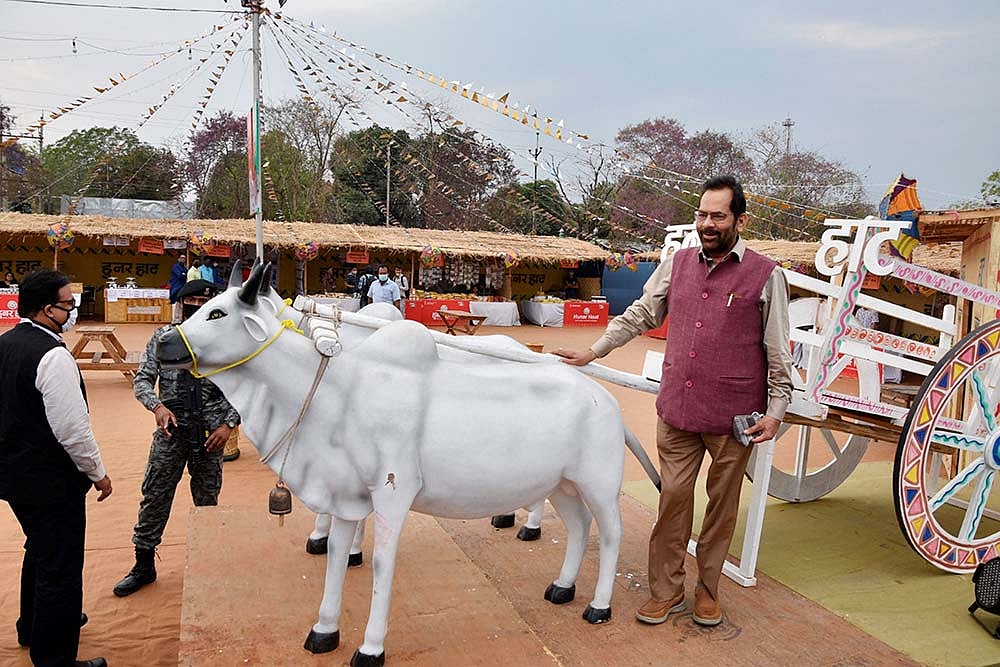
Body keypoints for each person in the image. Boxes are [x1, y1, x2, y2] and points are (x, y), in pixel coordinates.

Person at [555, 175, 793, 628]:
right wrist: (595, 350)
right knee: (674, 501)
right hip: (679, 411)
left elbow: (778, 348)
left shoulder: (766, 275)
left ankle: (707, 590)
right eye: (702, 214)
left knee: (721, 509)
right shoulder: (677, 263)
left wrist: (777, 409)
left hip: (735, 416)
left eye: (717, 216)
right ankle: (666, 591)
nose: (706, 223)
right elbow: (643, 313)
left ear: (740, 220)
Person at [0, 269, 112, 667]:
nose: (73, 310)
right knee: (61, 568)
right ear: (48, 310)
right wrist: (97, 472)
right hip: (50, 480)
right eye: (69, 304)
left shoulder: (6, 343)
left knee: (41, 549)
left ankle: (33, 625)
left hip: (14, 475)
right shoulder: (53, 356)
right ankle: (55, 658)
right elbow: (72, 429)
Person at [112, 279, 240, 598]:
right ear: (181, 304)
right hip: (171, 434)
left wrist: (228, 425)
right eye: (193, 301)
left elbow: (241, 389)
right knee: (155, 495)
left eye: (205, 301)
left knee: (207, 502)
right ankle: (143, 565)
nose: (198, 306)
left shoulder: (224, 342)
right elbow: (142, 381)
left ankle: (207, 563)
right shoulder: (163, 337)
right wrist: (157, 406)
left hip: (211, 437)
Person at [168, 256, 187, 324]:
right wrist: (183, 274)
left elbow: (185, 275)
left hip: (182, 287)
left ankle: (179, 319)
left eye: (184, 258)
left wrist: (183, 274)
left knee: (180, 304)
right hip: (175, 287)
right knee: (175, 303)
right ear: (178, 259)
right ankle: (174, 320)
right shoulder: (175, 266)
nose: (183, 259)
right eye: (181, 258)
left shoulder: (184, 268)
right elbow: (180, 275)